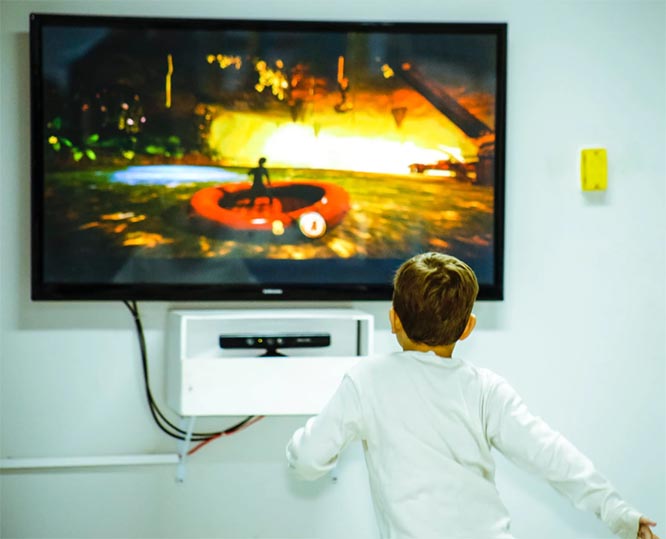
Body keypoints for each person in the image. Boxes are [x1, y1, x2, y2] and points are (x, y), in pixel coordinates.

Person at [286, 252, 660, 539]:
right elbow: (552, 455)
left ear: (394, 319)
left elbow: (307, 461)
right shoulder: (485, 388)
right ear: (468, 328)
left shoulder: (366, 381)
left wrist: (301, 442)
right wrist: (618, 513)